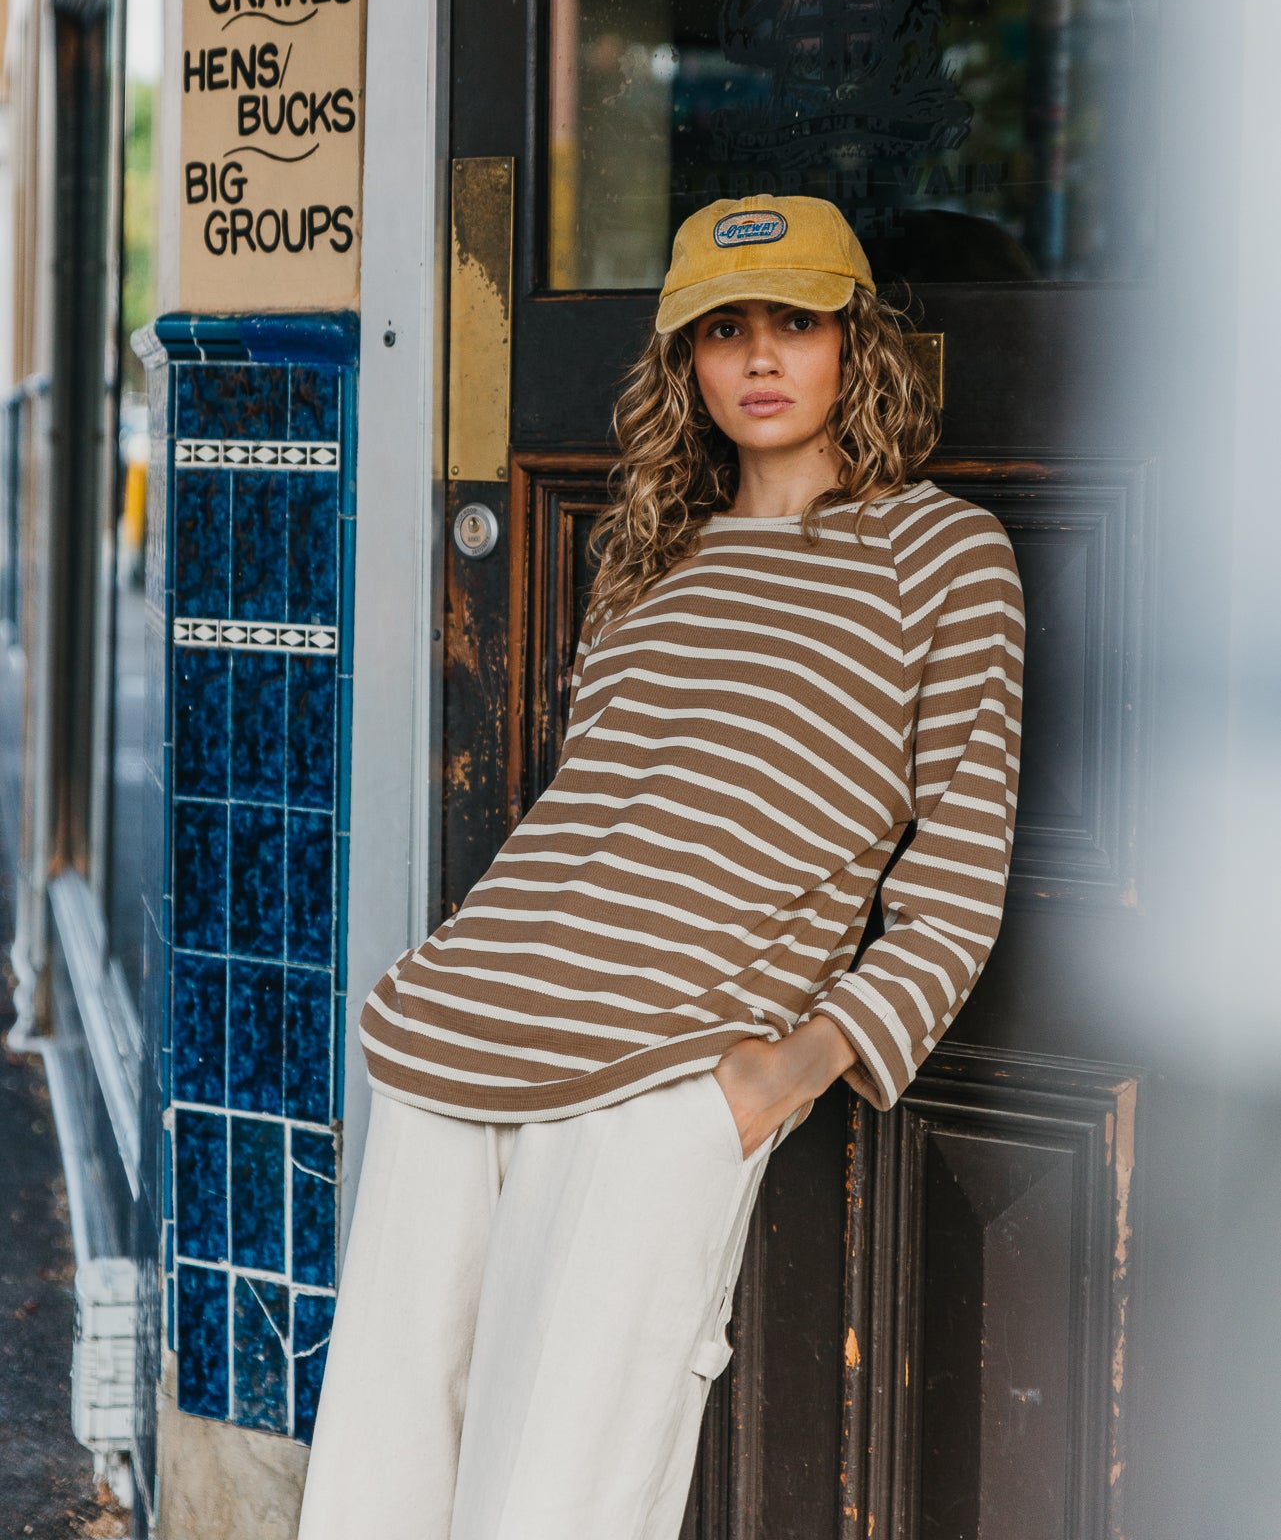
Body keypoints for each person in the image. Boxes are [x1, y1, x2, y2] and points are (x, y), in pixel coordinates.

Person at [297, 193, 1025, 1540]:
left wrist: (781, 1076)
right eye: (723, 330)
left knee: (557, 1498)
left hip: (670, 1076)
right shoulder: (648, 559)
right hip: (465, 1038)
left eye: (794, 322)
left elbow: (954, 894)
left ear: (855, 341)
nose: (760, 358)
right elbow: (597, 813)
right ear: (685, 360)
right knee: (374, 1487)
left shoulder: (942, 557)